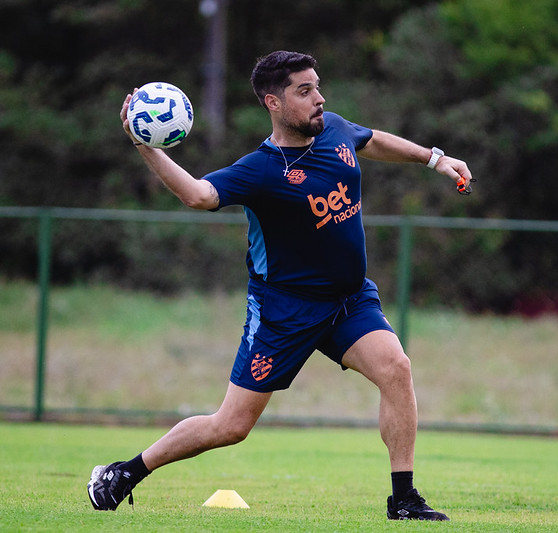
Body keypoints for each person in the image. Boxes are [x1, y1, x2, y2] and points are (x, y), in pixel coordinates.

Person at [87, 50, 474, 521]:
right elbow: (198, 195)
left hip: (349, 300)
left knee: (396, 368)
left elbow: (369, 141)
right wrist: (146, 145)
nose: (319, 98)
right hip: (284, 311)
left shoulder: (332, 127)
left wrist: (434, 158)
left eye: (317, 86)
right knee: (230, 426)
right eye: (304, 91)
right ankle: (124, 473)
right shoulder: (261, 169)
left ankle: (404, 500)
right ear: (273, 102)